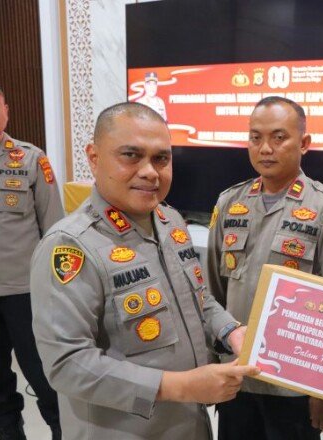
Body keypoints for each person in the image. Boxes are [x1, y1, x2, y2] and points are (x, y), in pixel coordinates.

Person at [30, 102, 259, 439]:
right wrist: (180, 386)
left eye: (161, 159)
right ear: (94, 157)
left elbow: (198, 299)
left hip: (188, 425)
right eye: (131, 155)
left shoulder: (170, 222)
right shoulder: (70, 246)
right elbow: (67, 364)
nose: (150, 172)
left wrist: (231, 332)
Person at [206, 96, 323, 440]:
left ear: (304, 143)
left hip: (293, 386)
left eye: (279, 137)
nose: (265, 148)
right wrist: (209, 365)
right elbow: (211, 293)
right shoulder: (230, 203)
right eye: (255, 138)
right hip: (236, 376)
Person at [0, 79, 63, 440]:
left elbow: (56, 230)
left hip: (26, 292)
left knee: (46, 376)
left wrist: (59, 291)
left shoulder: (31, 158)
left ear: (6, 111)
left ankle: (63, 431)